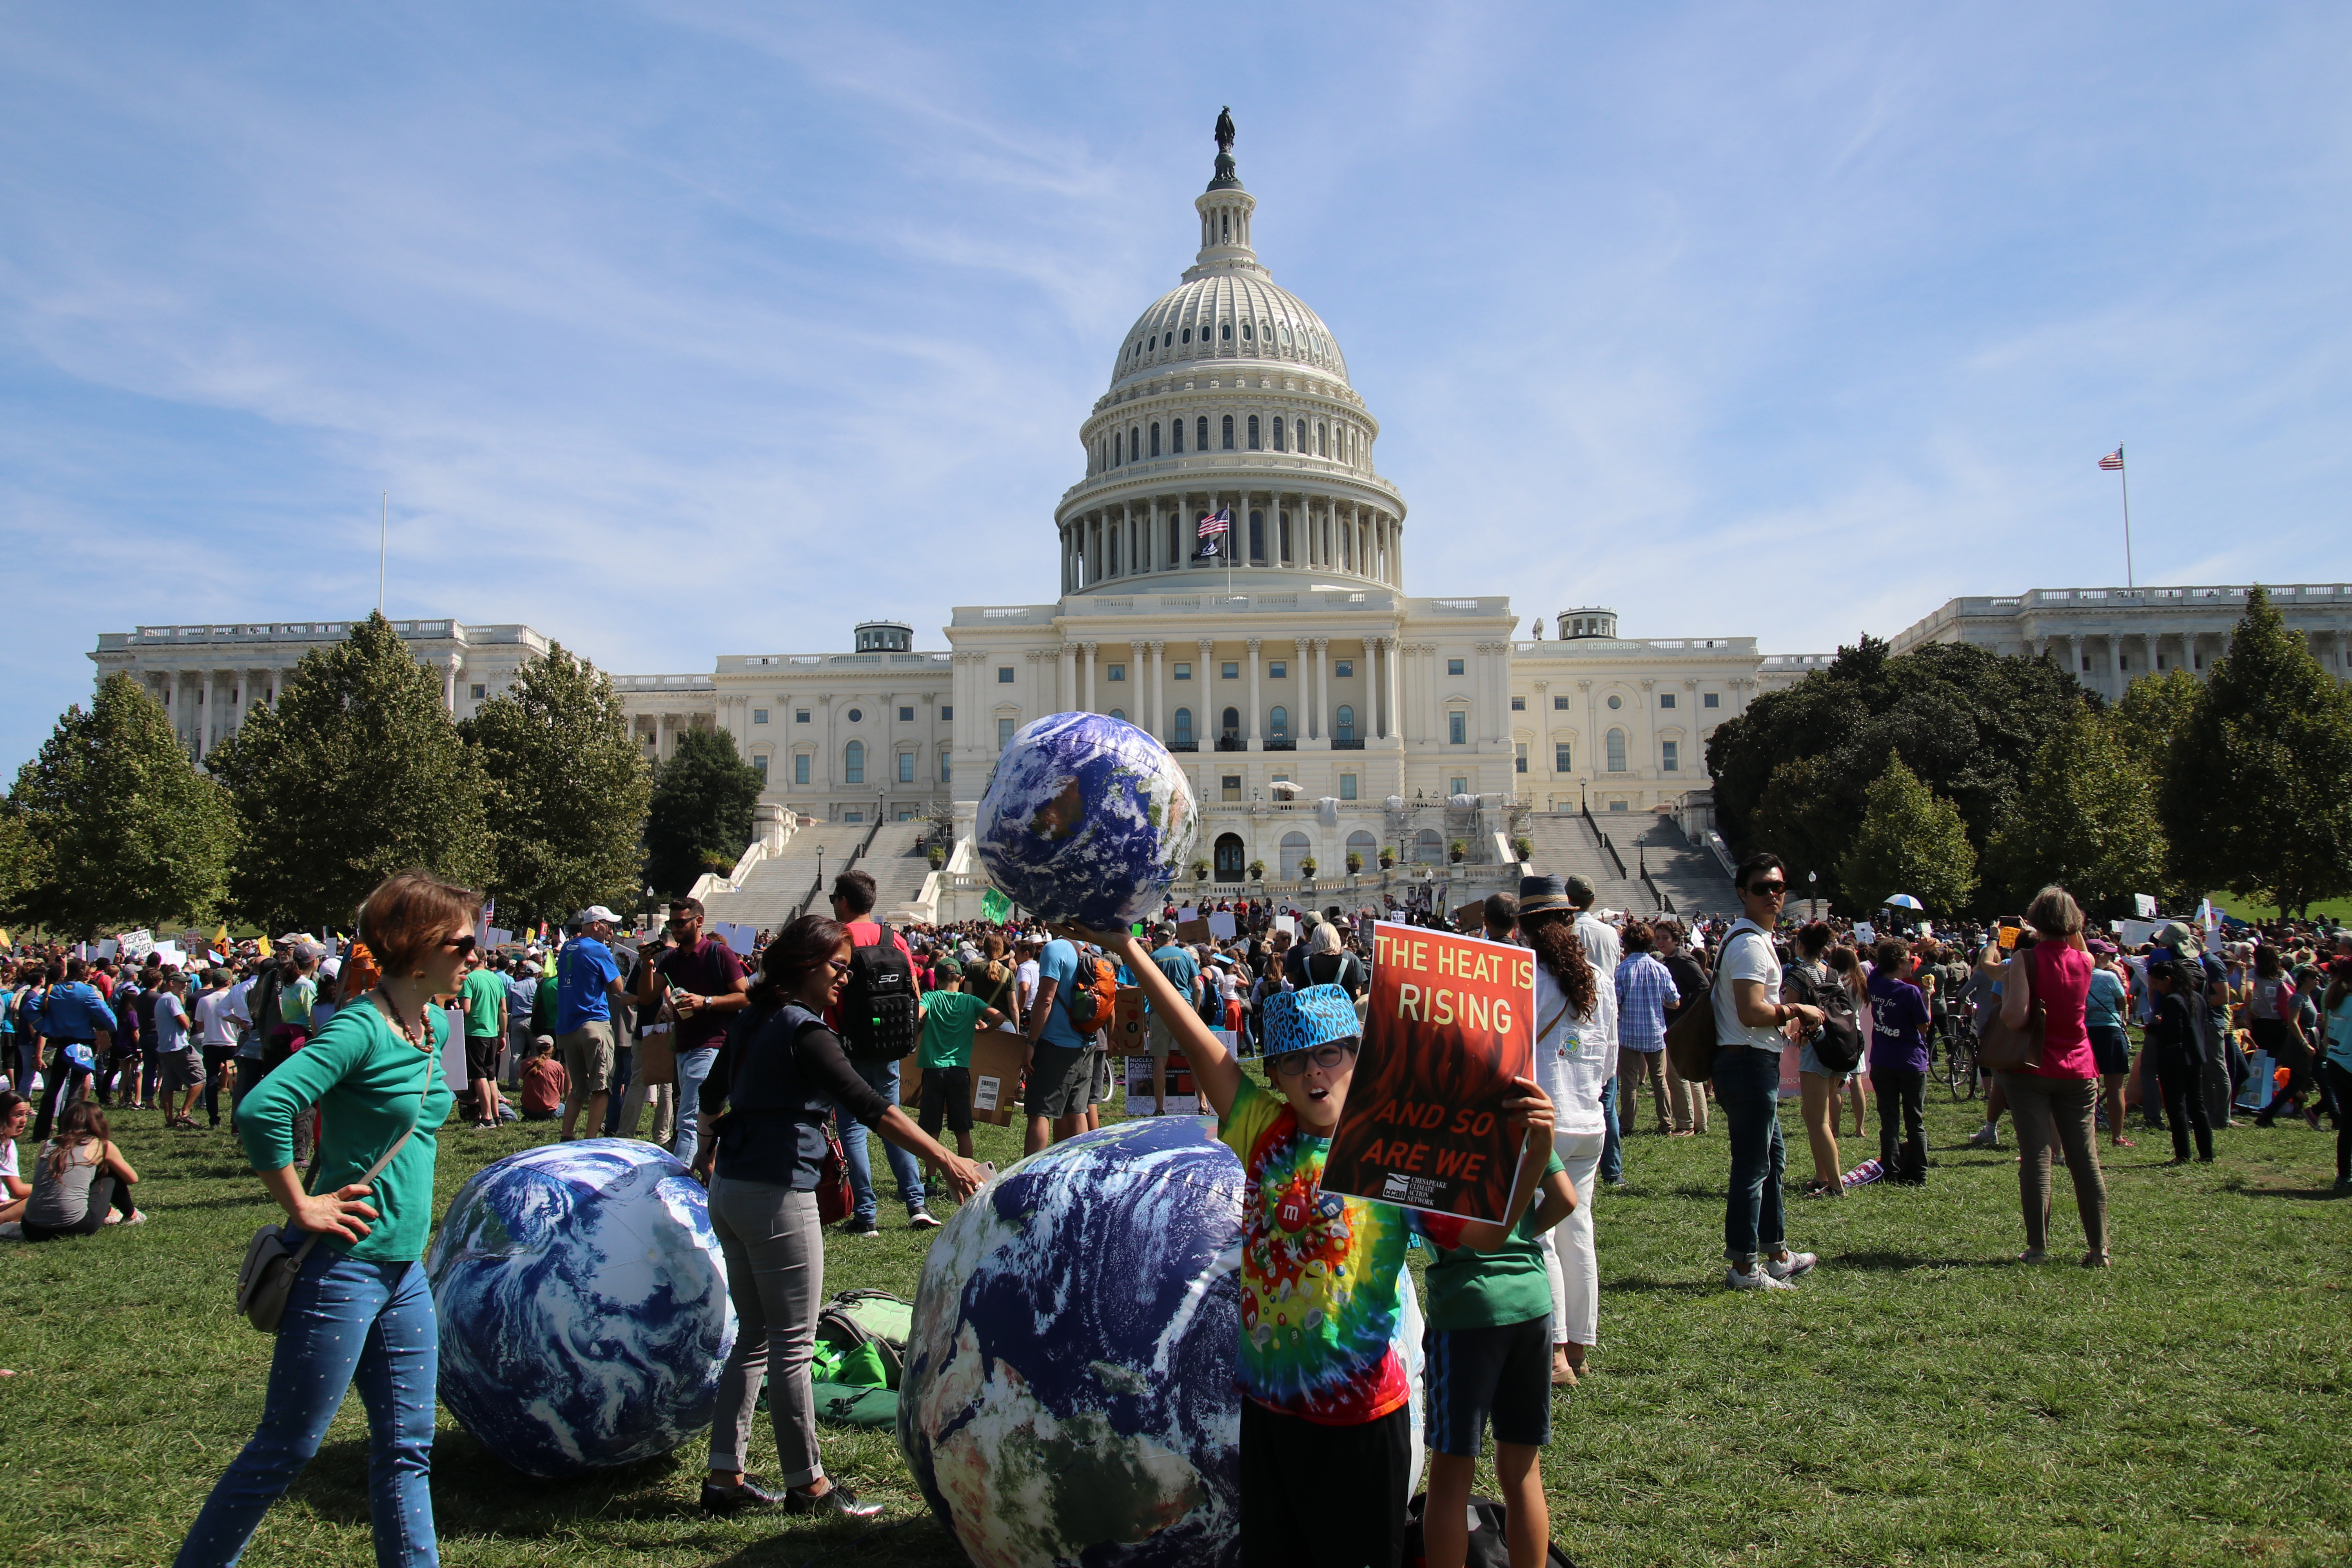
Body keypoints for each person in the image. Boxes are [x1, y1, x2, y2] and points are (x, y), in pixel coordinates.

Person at [1103, 914, 1555, 1568]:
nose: (1314, 1073)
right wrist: (1127, 950)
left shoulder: (1391, 1151)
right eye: (1294, 1062)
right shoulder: (1262, 1128)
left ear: (1357, 1058)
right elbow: (1195, 1037)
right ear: (1277, 1076)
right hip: (1269, 1411)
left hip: (1362, 1421)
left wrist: (1535, 1154)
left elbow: (1485, 1238)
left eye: (1330, 1055)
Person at [175, 870, 473, 1567]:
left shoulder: (426, 1025)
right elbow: (262, 1108)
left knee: (407, 1449)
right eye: (462, 944)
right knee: (288, 1446)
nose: (474, 957)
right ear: (419, 946)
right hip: (341, 1267)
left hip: (403, 1270)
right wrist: (300, 1202)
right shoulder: (360, 1029)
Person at [689, 915, 982, 1519]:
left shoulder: (750, 1019)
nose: (845, 982)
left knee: (754, 1337)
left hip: (731, 1190)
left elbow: (709, 1094)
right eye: (838, 970)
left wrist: (707, 1146)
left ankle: (724, 1477)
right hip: (777, 1194)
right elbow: (874, 1107)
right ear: (804, 966)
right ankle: (809, 1485)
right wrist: (947, 1159)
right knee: (793, 1345)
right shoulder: (806, 1031)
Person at [1417, 1097, 1575, 1568]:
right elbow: (1565, 1198)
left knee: (1449, 1478)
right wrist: (1524, 1231)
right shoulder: (1517, 1113)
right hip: (1533, 1303)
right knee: (1524, 1470)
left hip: (1466, 1310)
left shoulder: (1420, 1131)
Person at [1515, 875, 1612, 1387]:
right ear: (1569, 919)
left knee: (1544, 1238)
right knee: (1580, 1233)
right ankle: (1580, 1348)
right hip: (1590, 1119)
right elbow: (1611, 1060)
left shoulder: (1526, 978)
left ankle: (1555, 1353)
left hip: (1544, 1121)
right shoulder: (1599, 978)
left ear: (1525, 927)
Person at [1711, 854, 1823, 1290]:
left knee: (1772, 1159)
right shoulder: (1749, 945)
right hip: (1748, 1063)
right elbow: (1751, 1009)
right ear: (1742, 892)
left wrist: (1786, 1021)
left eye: (1778, 886)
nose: (1773, 894)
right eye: (1762, 887)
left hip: (1752, 1059)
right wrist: (1797, 1009)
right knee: (1753, 1166)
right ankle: (1743, 1267)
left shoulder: (1749, 939)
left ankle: (1775, 1252)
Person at [1996, 886, 2109, 1267]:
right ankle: (2098, 1248)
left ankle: (2039, 1247)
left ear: (2035, 919)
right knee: (2085, 1159)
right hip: (2079, 1067)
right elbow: (2075, 944)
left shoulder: (2026, 959)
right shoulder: (2086, 961)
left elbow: (2014, 1016)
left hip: (2031, 1068)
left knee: (2036, 1158)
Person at [824, 871, 933, 1233]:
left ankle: (866, 1213)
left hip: (847, 1045)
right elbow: (914, 995)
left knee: (853, 1128)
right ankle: (916, 1203)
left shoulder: (837, 940)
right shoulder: (895, 939)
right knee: (893, 1120)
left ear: (843, 901)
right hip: (889, 1045)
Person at [641, 897, 751, 1171]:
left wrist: (707, 1002)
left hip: (712, 1045)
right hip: (683, 1046)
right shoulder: (670, 959)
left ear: (699, 922)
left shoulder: (718, 954)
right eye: (672, 923)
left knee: (690, 1118)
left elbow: (747, 997)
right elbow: (645, 998)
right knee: (702, 1118)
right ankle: (715, 1180)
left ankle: (679, 1185)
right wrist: (646, 965)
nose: (675, 928)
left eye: (681, 923)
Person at [1566, 877, 1624, 1188]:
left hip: (1573, 1016)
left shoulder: (1566, 932)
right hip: (1605, 1016)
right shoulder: (1611, 934)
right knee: (1607, 1098)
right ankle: (1612, 1169)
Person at [915, 960, 1004, 1163]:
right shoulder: (971, 1002)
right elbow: (999, 1017)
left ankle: (931, 1181)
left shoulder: (931, 997)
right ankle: (970, 1177)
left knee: (931, 1130)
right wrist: (985, 1030)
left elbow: (916, 1015)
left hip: (933, 1070)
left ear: (936, 980)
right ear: (962, 979)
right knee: (962, 1130)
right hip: (959, 1071)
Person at [1783, 924, 1847, 1196]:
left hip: (1815, 1051)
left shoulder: (1798, 976)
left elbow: (1791, 1015)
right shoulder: (1833, 974)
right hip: (1839, 1049)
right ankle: (1822, 1177)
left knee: (1818, 1120)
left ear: (1800, 947)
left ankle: (1836, 1185)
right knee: (1811, 1114)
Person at [556, 906, 629, 1141]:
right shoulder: (598, 949)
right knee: (601, 1088)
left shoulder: (568, 947)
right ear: (596, 925)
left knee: (577, 1089)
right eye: (610, 926)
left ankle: (566, 1137)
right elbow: (617, 987)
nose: (612, 931)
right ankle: (590, 1141)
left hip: (568, 1027)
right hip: (594, 1023)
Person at [1021, 932, 1097, 1156]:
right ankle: (1076, 1170)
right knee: (1076, 1111)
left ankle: (1029, 1176)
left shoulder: (1054, 949)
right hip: (1085, 1040)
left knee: (1040, 1111)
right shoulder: (1088, 949)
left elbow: (1046, 1000)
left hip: (1056, 1043)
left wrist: (1031, 1042)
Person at [21, 1100, 142, 1237]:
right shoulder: (101, 1145)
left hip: (31, 1228)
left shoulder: (49, 1145)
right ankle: (132, 1216)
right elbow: (133, 1179)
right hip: (76, 1226)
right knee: (110, 1174)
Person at [1867, 938, 1931, 1185]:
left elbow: (1878, 968)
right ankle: (1919, 1173)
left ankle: (1891, 1170)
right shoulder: (1910, 991)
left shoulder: (1875, 982)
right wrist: (1927, 997)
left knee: (1889, 1120)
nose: (1912, 963)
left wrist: (1911, 950)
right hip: (1910, 1062)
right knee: (1915, 1120)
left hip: (1883, 1061)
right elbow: (1923, 1026)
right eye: (1909, 959)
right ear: (1899, 963)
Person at [31, 958, 114, 1140]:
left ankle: (41, 1131)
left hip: (61, 1041)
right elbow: (105, 1013)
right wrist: (113, 1029)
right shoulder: (87, 991)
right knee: (74, 1089)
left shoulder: (54, 990)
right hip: (83, 1042)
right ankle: (68, 1130)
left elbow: (30, 1008)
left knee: (53, 1087)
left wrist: (45, 1027)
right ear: (84, 972)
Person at [2145, 958, 2214, 1165]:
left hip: (2175, 1059)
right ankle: (2207, 1153)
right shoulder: (2197, 998)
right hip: (2196, 1057)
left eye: (2157, 983)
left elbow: (2174, 1033)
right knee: (2197, 1105)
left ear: (2168, 980)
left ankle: (2183, 1154)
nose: (2156, 988)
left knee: (2176, 1108)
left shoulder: (2173, 1000)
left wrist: (2153, 1028)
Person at [1613, 923, 1675, 1137]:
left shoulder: (1621, 970)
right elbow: (1674, 1001)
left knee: (1629, 1082)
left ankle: (1626, 1125)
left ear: (1627, 944)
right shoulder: (1661, 969)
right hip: (1655, 1032)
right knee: (1660, 1079)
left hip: (1629, 1032)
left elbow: (1616, 1003)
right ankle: (1666, 1123)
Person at [2247, 944, 2316, 1129]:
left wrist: (2249, 1009)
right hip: (2281, 1024)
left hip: (2261, 1023)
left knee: (2262, 1065)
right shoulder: (2282, 975)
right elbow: (2294, 991)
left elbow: (2249, 991)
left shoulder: (2253, 973)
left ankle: (2260, 1102)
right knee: (2280, 1065)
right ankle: (2285, 1101)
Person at [1655, 923, 1709, 1135]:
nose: (1660, 942)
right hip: (1677, 1022)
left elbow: (1703, 986)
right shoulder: (1670, 960)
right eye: (1658, 938)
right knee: (1687, 1073)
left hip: (1681, 1022)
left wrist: (1687, 1011)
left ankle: (1686, 1123)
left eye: (1665, 938)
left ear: (1676, 940)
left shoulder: (1683, 960)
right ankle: (1700, 1121)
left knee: (1677, 1075)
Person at [1143, 923, 1203, 1112]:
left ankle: (1160, 1107)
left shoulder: (1152, 958)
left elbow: (1146, 990)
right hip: (1184, 1008)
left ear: (1157, 937)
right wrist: (1195, 1011)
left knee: (1159, 1060)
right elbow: (1198, 988)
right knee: (1193, 1058)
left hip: (1160, 1010)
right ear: (1174, 936)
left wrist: (1146, 1017)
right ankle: (1203, 1104)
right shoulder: (1186, 955)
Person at [2086, 946, 2136, 1149]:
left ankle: (2088, 1134)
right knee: (2115, 1087)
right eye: (2109, 954)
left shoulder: (2074, 974)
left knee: (2087, 1087)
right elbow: (2122, 1002)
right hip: (2110, 1031)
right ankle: (2118, 1136)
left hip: (2084, 1033)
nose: (2112, 957)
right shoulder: (2109, 976)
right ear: (2098, 956)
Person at [457, 944, 508, 1129]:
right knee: (491, 1075)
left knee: (478, 1075)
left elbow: (467, 1009)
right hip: (493, 1033)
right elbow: (503, 1009)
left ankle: (487, 1118)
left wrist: (458, 1006)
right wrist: (503, 1035)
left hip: (475, 1032)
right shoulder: (496, 980)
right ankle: (497, 1116)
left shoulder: (469, 980)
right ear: (485, 960)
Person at [153, 972, 205, 1129]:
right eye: (181, 983)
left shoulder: (162, 999)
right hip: (178, 1047)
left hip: (165, 1047)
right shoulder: (171, 999)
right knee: (201, 1077)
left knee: (169, 1085)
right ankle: (184, 1113)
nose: (185, 986)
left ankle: (170, 1120)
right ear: (171, 983)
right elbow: (185, 1022)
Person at [2320, 958, 2352, 1191]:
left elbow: (2326, 1040)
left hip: (2336, 1063)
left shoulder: (2335, 999)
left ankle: (2344, 1176)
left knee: (2348, 1124)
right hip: (2349, 1065)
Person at [518, 1036, 567, 1122]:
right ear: (552, 1049)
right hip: (550, 1111)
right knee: (567, 1108)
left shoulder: (526, 1063)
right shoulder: (557, 1066)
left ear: (537, 1048)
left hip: (527, 1110)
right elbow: (560, 1089)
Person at [0, 1090, 29, 1229]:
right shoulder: (5, 1144)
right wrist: (48, 1187)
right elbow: (17, 1191)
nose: (24, 1121)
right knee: (46, 1197)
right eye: (18, 1115)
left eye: (26, 1115)